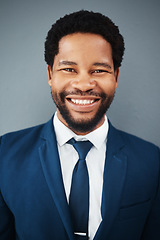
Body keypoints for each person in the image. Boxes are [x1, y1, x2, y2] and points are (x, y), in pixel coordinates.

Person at [0, 10, 159, 240]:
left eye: (99, 70)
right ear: (50, 74)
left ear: (116, 76)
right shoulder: (5, 154)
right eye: (69, 69)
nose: (84, 84)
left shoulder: (151, 160)